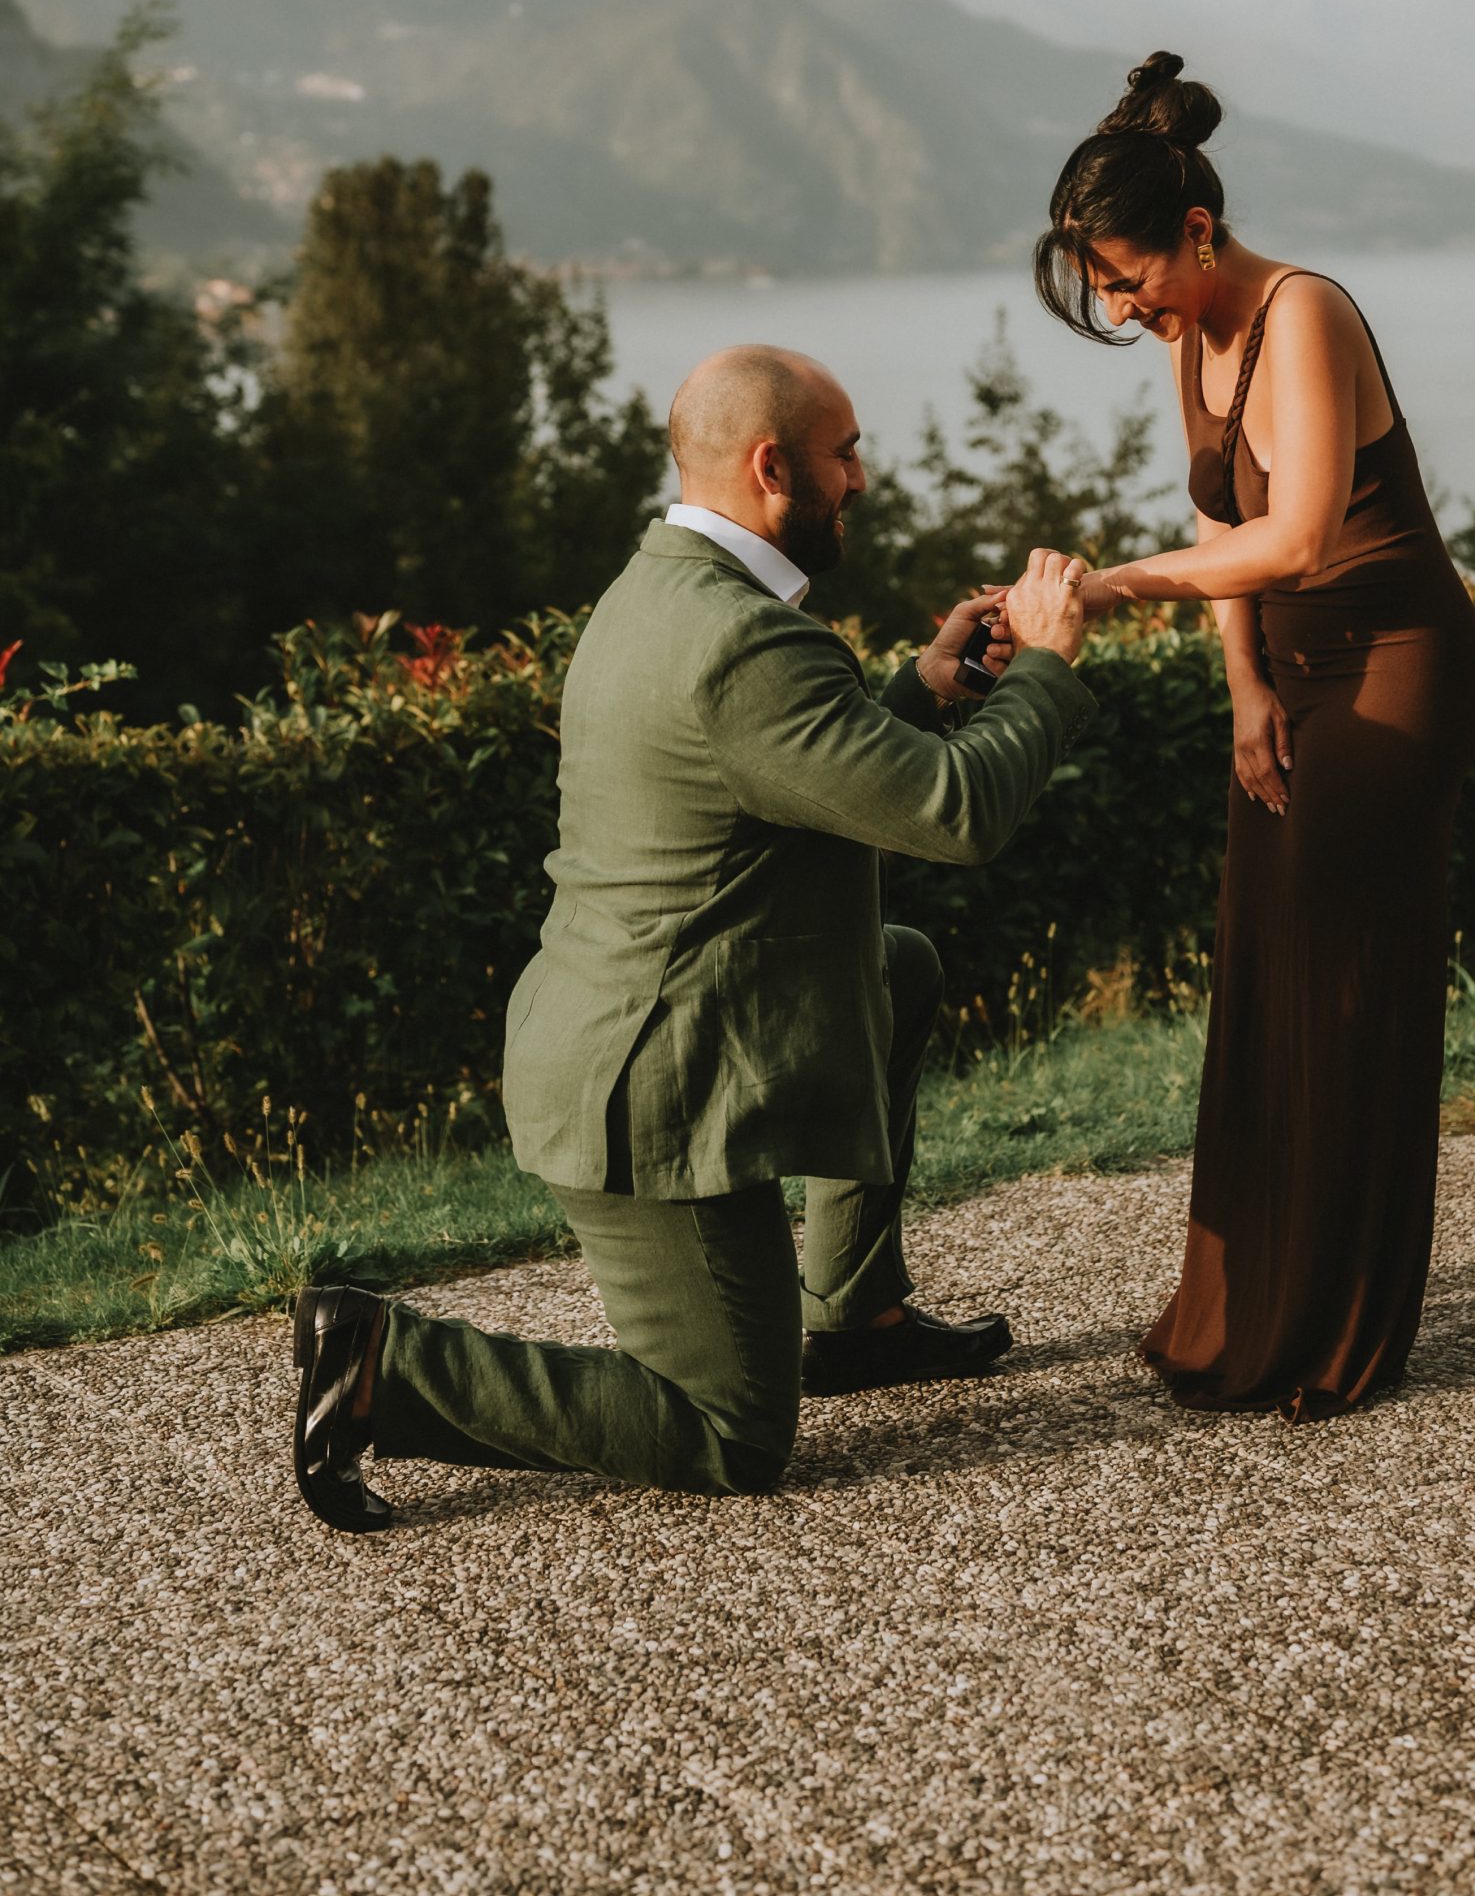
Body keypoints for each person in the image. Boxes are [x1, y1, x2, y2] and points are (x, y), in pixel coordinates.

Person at [293, 345, 1096, 1530]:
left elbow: (792, 776)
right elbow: (953, 813)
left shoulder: (664, 592)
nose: (863, 476)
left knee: (896, 966)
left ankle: (856, 1313)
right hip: (649, 1080)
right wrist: (1046, 667)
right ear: (774, 465)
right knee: (730, 1432)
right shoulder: (741, 643)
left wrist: (921, 692)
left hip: (624, 1018)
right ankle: (380, 1366)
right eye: (847, 452)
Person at [1032, 52, 1475, 1421]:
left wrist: (1108, 589)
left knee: (1343, 976)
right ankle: (1247, 1307)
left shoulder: (1304, 314)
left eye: (1130, 277)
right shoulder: (1193, 336)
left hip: (1395, 665)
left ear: (1197, 230)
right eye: (1104, 290)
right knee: (1264, 965)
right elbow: (1227, 532)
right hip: (1288, 677)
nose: (1123, 310)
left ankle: (1333, 1329)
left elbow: (1302, 535)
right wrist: (1242, 688)